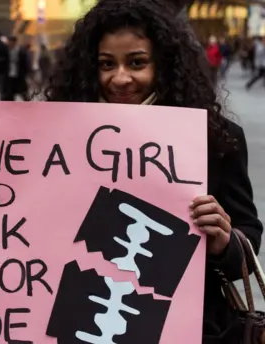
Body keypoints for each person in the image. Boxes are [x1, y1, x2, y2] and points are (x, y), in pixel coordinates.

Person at [44, 0, 263, 342]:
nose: (120, 78)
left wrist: (224, 242)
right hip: (82, 320)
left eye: (137, 62)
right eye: (106, 64)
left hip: (187, 327)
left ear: (164, 65)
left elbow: (249, 237)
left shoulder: (216, 139)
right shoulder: (58, 139)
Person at [3, 36, 30, 101]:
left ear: (15, 42)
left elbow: (25, 63)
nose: (10, 43)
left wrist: (26, 72)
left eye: (11, 42)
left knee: (22, 91)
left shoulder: (21, 50)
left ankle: (28, 103)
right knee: (9, 92)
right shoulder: (5, 50)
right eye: (9, 42)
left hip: (19, 73)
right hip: (9, 74)